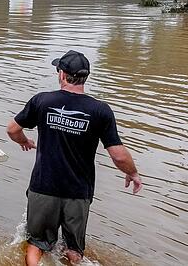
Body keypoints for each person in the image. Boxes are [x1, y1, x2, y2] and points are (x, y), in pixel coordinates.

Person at [7, 50, 142, 266]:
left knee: (36, 244)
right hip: (78, 193)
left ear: (62, 74)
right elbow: (117, 154)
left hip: (44, 188)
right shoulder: (100, 110)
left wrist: (24, 141)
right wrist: (132, 173)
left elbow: (12, 129)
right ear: (85, 77)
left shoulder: (42, 101)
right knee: (73, 250)